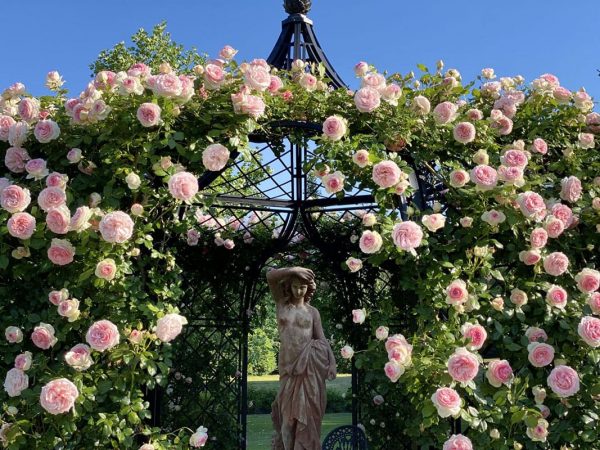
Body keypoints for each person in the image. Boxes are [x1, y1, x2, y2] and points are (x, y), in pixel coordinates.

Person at [267, 266, 337, 450]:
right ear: (289, 286)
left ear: (309, 288)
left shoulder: (312, 312)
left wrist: (332, 363)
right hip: (289, 369)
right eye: (296, 286)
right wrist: (295, 269)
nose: (299, 290)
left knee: (308, 418)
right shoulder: (281, 305)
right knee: (287, 420)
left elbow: (321, 338)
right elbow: (271, 277)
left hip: (309, 369)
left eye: (303, 287)